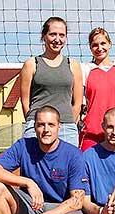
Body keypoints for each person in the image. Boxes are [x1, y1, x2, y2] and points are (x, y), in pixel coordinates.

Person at [20, 16, 83, 146]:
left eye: (62, 35)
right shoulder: (32, 64)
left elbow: (78, 102)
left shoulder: (73, 65)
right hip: (37, 126)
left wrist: (69, 121)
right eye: (52, 34)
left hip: (66, 127)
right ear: (44, 36)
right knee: (35, 166)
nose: (57, 39)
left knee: (66, 166)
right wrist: (35, 122)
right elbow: (25, 100)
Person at [79, 27, 115, 151]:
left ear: (110, 44)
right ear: (90, 47)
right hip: (92, 134)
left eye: (103, 43)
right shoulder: (84, 70)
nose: (99, 48)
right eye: (95, 45)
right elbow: (79, 105)